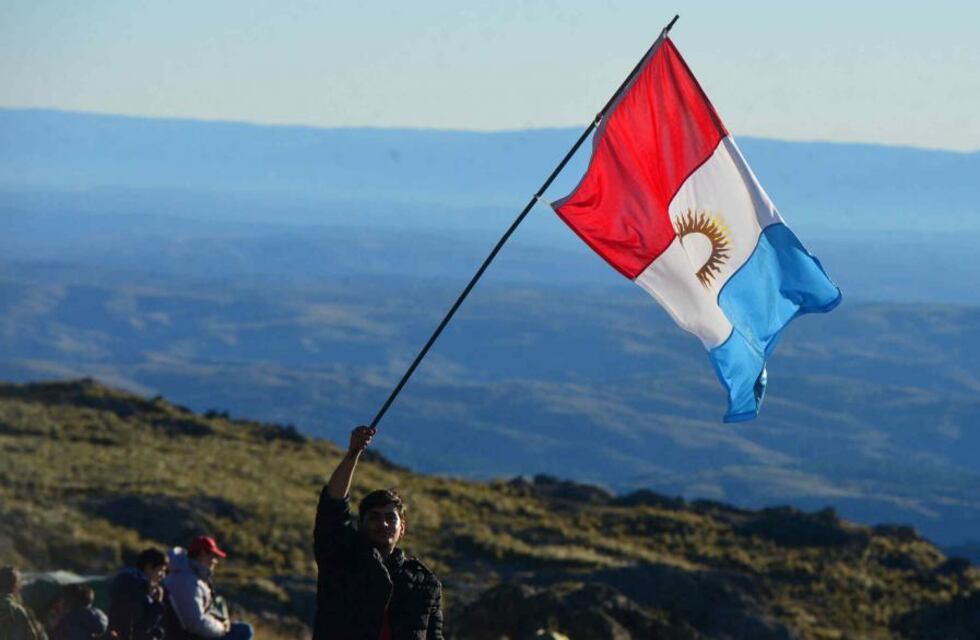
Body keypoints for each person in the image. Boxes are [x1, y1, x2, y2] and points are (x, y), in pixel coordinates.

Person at [313, 425, 443, 639]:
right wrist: (353, 454)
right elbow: (332, 505)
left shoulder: (424, 583)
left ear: (402, 528)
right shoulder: (340, 558)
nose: (383, 524)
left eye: (390, 518)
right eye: (374, 517)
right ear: (360, 524)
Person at [163, 537, 252, 640]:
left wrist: (220, 621)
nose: (215, 561)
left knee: (243, 629)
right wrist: (221, 628)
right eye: (213, 556)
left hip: (194, 633)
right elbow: (196, 623)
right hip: (192, 636)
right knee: (245, 631)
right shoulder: (187, 581)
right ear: (202, 554)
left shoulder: (189, 575)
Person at [108, 548, 168, 640]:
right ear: (149, 567)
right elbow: (143, 627)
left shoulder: (128, 580)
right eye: (161, 570)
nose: (163, 575)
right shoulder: (138, 588)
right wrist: (157, 603)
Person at [0, 566, 46, 640]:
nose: (21, 587)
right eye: (19, 583)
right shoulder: (17, 611)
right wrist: (40, 632)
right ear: (15, 586)